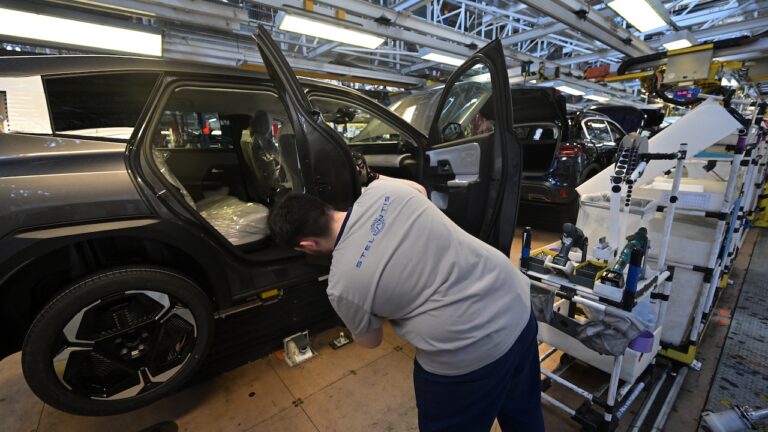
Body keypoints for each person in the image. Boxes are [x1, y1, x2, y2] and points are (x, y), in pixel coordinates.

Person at [267, 165, 544, 432]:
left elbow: (371, 341)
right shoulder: (381, 191)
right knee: (524, 412)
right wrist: (372, 176)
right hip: (514, 303)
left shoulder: (342, 286)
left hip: (467, 351)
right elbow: (419, 189)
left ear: (307, 245)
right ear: (322, 207)